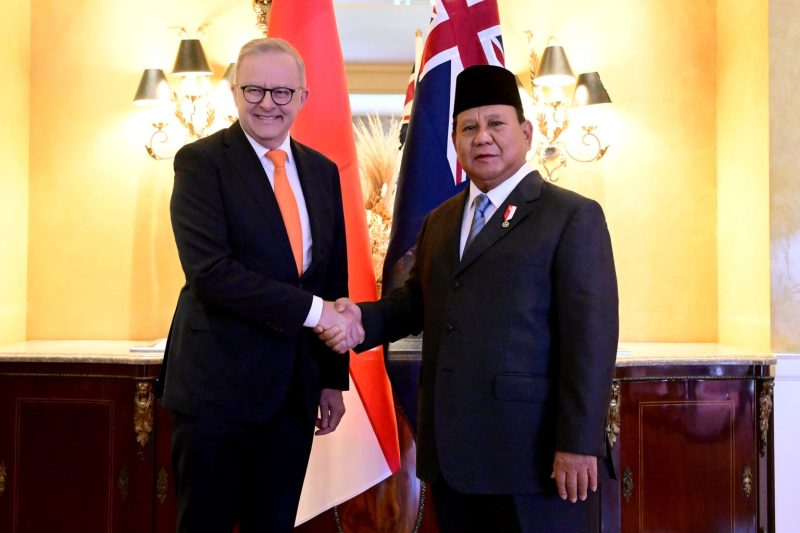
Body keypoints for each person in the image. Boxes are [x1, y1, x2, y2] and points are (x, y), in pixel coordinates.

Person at [319, 64, 619, 532]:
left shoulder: (569, 216)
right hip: (453, 455)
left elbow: (591, 340)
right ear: (455, 142)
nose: (483, 137)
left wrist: (579, 442)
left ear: (525, 132)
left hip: (533, 456)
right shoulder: (440, 220)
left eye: (496, 124)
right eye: (469, 127)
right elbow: (417, 303)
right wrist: (359, 318)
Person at [158, 38, 363, 533]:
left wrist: (332, 377)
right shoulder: (201, 163)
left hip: (292, 392)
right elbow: (212, 274)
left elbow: (332, 276)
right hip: (215, 392)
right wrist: (318, 315)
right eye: (254, 90)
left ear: (303, 97)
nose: (267, 103)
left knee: (273, 523)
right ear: (234, 92)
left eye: (281, 92)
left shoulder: (322, 171)